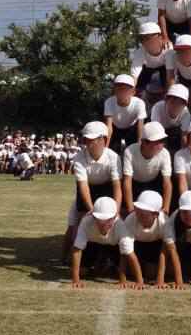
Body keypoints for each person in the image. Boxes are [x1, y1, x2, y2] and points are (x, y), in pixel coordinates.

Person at [63, 121, 122, 261]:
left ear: (104, 140)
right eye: (86, 140)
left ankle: (109, 259)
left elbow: (117, 186)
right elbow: (83, 187)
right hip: (88, 188)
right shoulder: (79, 158)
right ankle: (66, 256)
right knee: (78, 222)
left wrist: (116, 211)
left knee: (111, 222)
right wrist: (91, 211)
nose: (89, 144)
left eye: (93, 140)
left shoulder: (114, 157)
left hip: (107, 188)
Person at [71, 196, 144, 290]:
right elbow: (77, 249)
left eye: (108, 220)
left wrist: (137, 281)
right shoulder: (86, 221)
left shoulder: (121, 226)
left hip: (114, 247)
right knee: (82, 272)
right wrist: (75, 279)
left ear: (114, 217)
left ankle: (109, 264)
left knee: (129, 272)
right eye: (100, 220)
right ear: (93, 216)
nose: (103, 224)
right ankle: (101, 263)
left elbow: (128, 253)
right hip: (93, 245)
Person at [122, 122, 172, 215]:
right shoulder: (129, 151)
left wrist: (166, 208)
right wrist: (130, 209)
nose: (161, 145)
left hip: (154, 184)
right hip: (135, 185)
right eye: (157, 142)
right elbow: (127, 181)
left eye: (162, 141)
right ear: (144, 142)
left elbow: (167, 183)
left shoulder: (165, 153)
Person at [124, 190, 168, 288]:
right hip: (137, 247)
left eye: (143, 214)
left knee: (151, 274)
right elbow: (126, 251)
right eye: (137, 211)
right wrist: (139, 281)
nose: (138, 216)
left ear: (156, 214)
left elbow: (164, 251)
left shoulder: (164, 222)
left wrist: (160, 280)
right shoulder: (130, 220)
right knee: (131, 273)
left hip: (156, 246)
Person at [104, 74, 147, 153]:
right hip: (115, 128)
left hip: (132, 129)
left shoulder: (139, 103)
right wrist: (105, 149)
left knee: (134, 151)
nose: (122, 92)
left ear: (133, 92)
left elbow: (140, 127)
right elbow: (109, 127)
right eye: (119, 88)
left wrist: (139, 148)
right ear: (114, 90)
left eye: (126, 89)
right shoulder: (109, 102)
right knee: (111, 152)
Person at [130, 22, 171, 96]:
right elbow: (134, 76)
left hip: (166, 69)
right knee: (138, 87)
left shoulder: (169, 49)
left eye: (148, 38)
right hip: (148, 69)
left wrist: (169, 95)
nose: (145, 42)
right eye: (142, 39)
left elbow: (170, 75)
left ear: (159, 37)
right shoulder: (140, 51)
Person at [150, 84, 191, 153]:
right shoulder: (157, 108)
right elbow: (156, 132)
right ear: (166, 100)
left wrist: (183, 154)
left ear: (185, 105)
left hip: (175, 131)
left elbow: (184, 136)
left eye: (179, 103)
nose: (175, 105)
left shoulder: (186, 113)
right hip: (159, 130)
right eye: (172, 102)